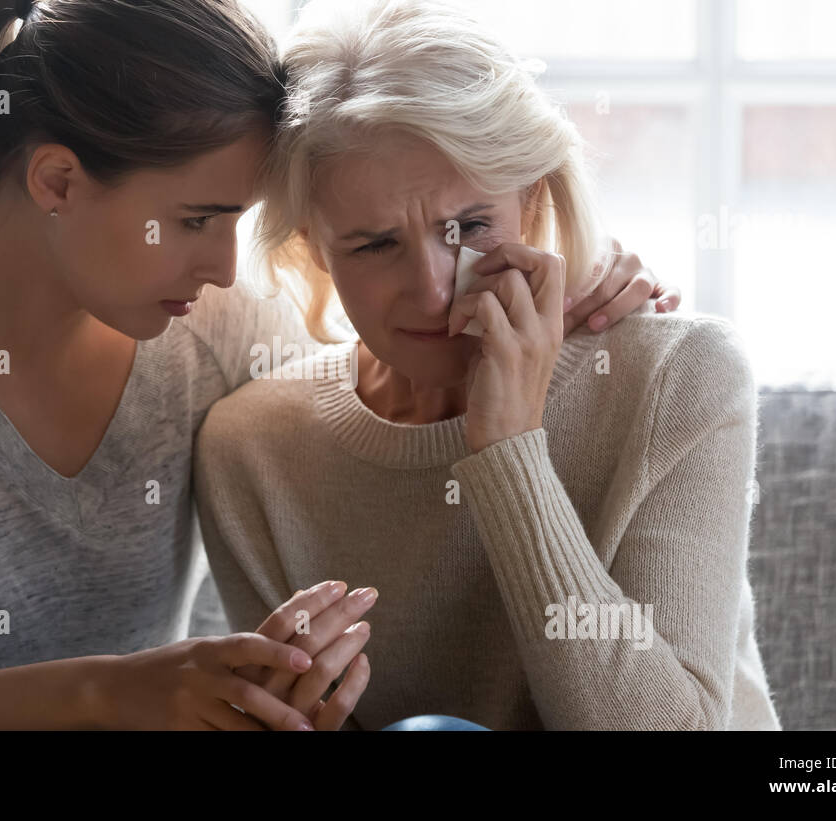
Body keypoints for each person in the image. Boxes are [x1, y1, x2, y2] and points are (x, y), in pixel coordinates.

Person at [0, 0, 676, 730]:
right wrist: (123, 686)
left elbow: (397, 379)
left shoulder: (214, 331)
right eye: (198, 220)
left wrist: (582, 285)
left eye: (237, 223)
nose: (220, 264)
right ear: (57, 180)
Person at [194, 0, 779, 731]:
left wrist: (509, 451)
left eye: (470, 227)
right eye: (375, 245)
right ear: (314, 247)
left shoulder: (679, 377)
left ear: (531, 205)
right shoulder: (250, 449)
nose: (435, 288)